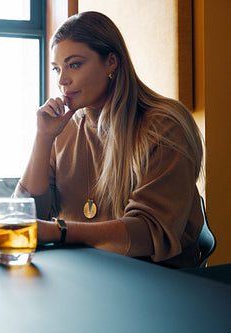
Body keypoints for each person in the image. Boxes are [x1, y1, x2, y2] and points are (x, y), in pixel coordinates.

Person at [15, 11, 204, 268]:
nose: (62, 80)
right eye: (57, 68)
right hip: (85, 273)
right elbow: (23, 215)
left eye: (74, 64)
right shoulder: (64, 128)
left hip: (157, 283)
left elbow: (148, 234)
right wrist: (43, 138)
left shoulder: (163, 126)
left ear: (111, 62)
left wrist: (60, 231)